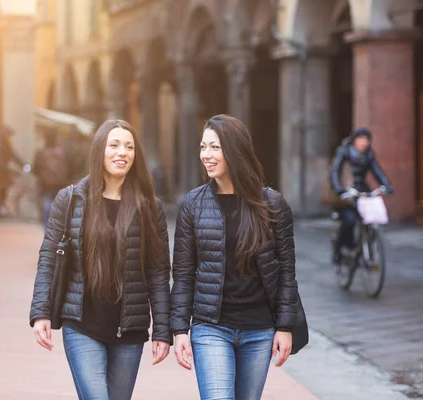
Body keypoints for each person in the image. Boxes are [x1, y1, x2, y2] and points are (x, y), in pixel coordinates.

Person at [29, 119, 171, 400]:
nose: (123, 152)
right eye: (114, 145)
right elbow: (49, 257)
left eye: (129, 147)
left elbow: (157, 271)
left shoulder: (149, 207)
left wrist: (163, 330)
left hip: (129, 330)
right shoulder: (70, 200)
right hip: (82, 324)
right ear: (99, 151)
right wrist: (40, 312)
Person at [170, 114, 298, 400]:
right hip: (210, 327)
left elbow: (287, 270)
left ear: (235, 150)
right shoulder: (192, 204)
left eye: (215, 147)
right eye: (203, 147)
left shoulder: (272, 204)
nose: (206, 155)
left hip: (259, 329)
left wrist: (285, 327)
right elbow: (183, 273)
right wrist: (178, 330)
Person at [330, 127, 393, 266]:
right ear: (354, 140)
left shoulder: (369, 155)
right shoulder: (344, 152)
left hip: (362, 191)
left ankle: (367, 249)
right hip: (346, 193)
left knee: (371, 219)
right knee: (349, 220)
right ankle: (341, 250)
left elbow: (378, 171)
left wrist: (387, 185)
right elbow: (335, 171)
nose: (364, 142)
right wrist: (338, 189)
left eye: (366, 140)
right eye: (361, 139)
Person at [32, 128, 70, 228]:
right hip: (61, 186)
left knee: (46, 211)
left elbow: (34, 170)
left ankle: (47, 234)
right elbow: (70, 168)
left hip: (45, 186)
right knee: (60, 211)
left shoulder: (40, 152)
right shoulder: (63, 152)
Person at [0, 125, 26, 214]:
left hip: (4, 172)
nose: (9, 137)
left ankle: (1, 207)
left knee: (6, 188)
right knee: (1, 188)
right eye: (8, 135)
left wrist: (24, 164)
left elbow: (13, 155)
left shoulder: (6, 144)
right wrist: (12, 170)